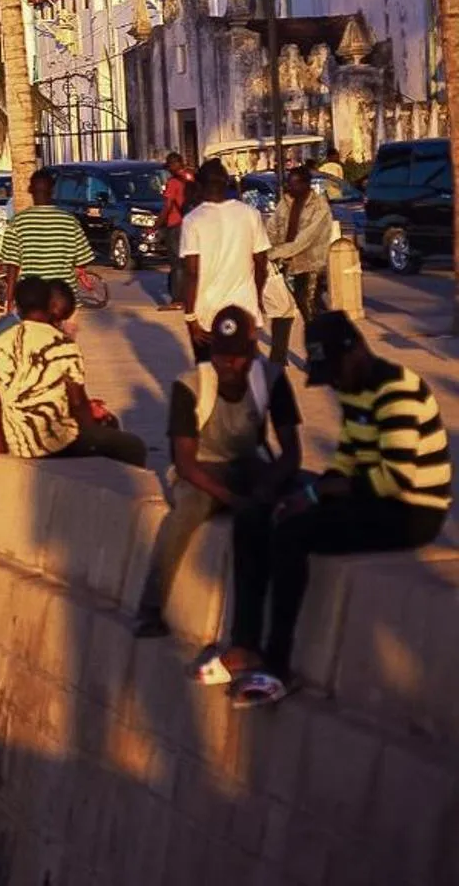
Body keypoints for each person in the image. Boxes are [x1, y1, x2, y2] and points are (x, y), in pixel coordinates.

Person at [215, 312, 449, 706]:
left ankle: (278, 663)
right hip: (368, 495)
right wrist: (311, 491)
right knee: (257, 514)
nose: (335, 383)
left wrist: (313, 497)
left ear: (357, 351)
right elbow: (347, 459)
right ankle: (245, 641)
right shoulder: (354, 389)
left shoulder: (397, 390)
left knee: (293, 534)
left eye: (336, 372)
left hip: (409, 512)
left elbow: (395, 479)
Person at [132, 307, 303, 638]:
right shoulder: (191, 385)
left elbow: (291, 451)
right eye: (222, 356)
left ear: (251, 353)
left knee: (303, 493)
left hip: (250, 465)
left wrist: (269, 485)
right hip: (203, 471)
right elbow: (184, 463)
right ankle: (150, 607)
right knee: (185, 514)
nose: (229, 365)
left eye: (237, 357)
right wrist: (233, 500)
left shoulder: (270, 378)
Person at [0, 278, 147, 467]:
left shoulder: (0, 343)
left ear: (17, 306)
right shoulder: (62, 344)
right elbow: (77, 402)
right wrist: (91, 432)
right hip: (56, 443)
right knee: (132, 445)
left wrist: (0, 445)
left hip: (18, 442)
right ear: (48, 304)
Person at [179, 159, 269, 359]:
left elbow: (192, 273)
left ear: (199, 186)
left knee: (209, 374)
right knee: (244, 373)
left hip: (206, 314)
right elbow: (262, 265)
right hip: (244, 310)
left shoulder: (192, 220)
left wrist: (190, 317)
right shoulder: (250, 214)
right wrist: (258, 298)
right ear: (226, 182)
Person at [0, 170, 93, 302]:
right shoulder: (70, 221)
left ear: (30, 190)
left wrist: (9, 301)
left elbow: (12, 266)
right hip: (64, 301)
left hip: (32, 301)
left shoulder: (18, 222)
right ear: (52, 190)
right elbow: (83, 259)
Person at [266, 162, 333, 342]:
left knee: (309, 306)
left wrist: (272, 253)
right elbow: (272, 227)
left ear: (306, 184)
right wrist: (265, 247)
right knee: (283, 308)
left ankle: (321, 353)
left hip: (310, 263)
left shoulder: (319, 208)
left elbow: (303, 241)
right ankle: (280, 355)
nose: (290, 186)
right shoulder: (286, 202)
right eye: (289, 182)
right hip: (287, 262)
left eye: (294, 183)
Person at [161, 151, 194, 307]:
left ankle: (177, 299)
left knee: (177, 264)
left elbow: (167, 206)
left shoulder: (173, 182)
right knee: (189, 262)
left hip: (175, 224)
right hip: (192, 223)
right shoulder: (191, 178)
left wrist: (157, 224)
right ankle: (190, 296)